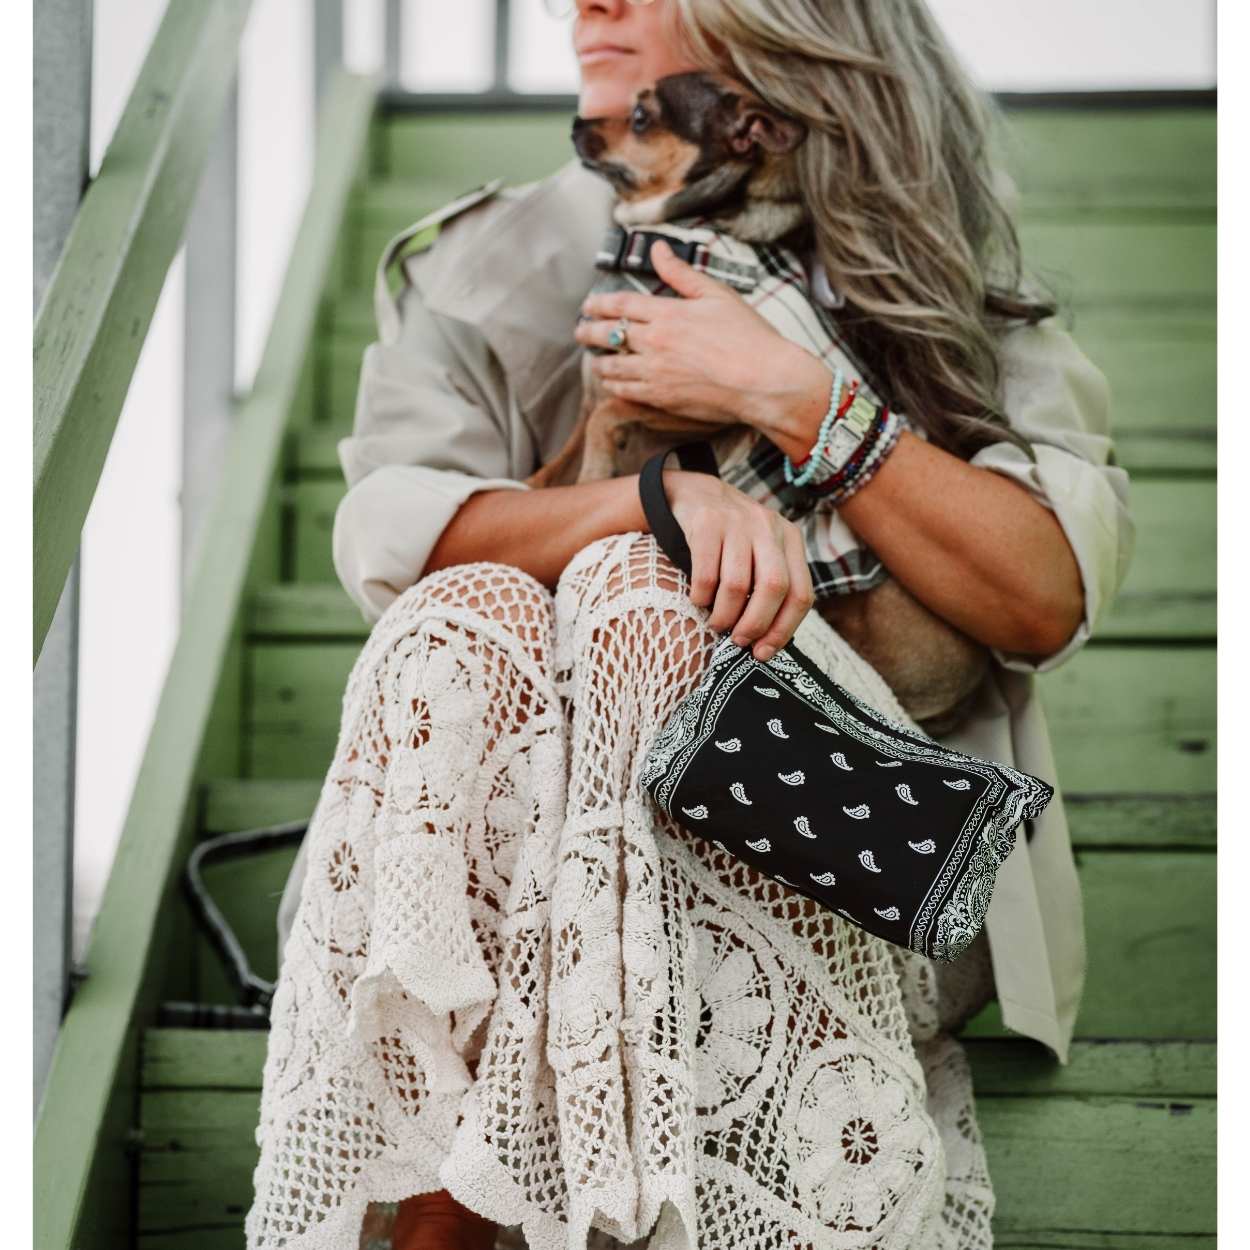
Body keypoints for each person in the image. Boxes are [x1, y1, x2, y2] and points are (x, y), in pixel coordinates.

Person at [246, 2, 1135, 1248]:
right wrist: (656, 500)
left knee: (636, 598)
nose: (587, 4)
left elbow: (1039, 592)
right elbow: (393, 537)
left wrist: (793, 394)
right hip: (542, 818)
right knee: (473, 610)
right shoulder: (490, 257)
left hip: (839, 838)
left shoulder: (938, 258)